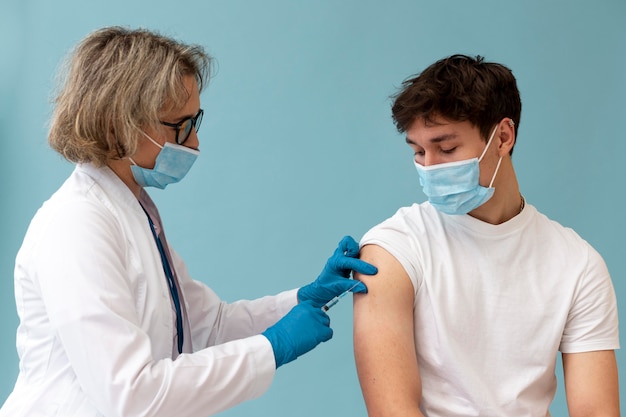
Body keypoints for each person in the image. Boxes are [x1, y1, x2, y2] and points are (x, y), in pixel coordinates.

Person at [0, 26, 377, 417]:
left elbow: (204, 328)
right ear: (116, 124)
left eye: (194, 122)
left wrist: (302, 300)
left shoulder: (132, 212)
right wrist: (271, 346)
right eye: (180, 125)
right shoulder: (76, 225)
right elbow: (132, 396)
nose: (193, 143)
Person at [353, 54, 620, 416]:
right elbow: (392, 410)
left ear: (504, 137)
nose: (429, 168)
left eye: (446, 149)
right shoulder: (394, 250)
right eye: (418, 151)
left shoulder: (578, 264)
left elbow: (595, 411)